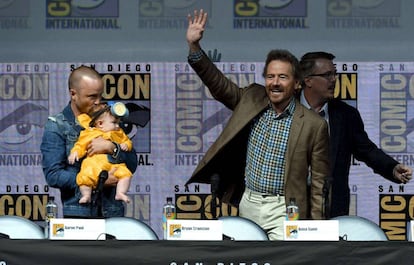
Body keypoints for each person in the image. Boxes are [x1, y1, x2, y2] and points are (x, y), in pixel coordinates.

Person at [185, 10, 330, 240]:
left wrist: (317, 229)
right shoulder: (252, 98)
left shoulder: (314, 125)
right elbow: (219, 85)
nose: (274, 83)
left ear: (297, 84)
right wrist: (195, 48)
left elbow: (320, 182)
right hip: (248, 203)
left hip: (285, 208)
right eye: (270, 76)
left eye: (282, 77)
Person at [298, 51, 413, 218]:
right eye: (327, 75)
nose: (334, 79)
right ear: (308, 79)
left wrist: (392, 168)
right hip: (290, 204)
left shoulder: (346, 115)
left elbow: (366, 150)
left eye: (334, 74)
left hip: (331, 207)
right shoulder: (284, 111)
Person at [40, 65, 138, 218]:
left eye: (100, 96)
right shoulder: (57, 125)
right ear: (73, 94)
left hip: (113, 213)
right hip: (79, 214)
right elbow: (53, 175)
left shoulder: (108, 119)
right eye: (92, 97)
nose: (98, 102)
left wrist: (112, 148)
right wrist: (98, 180)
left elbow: (132, 163)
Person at [68, 102, 133, 204]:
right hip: (94, 164)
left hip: (113, 165)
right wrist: (75, 153)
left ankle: (120, 192)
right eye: (114, 123)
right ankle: (86, 195)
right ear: (100, 124)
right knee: (85, 176)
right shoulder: (90, 133)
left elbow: (127, 142)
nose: (117, 126)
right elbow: (81, 144)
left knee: (125, 174)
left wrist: (126, 145)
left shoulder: (119, 133)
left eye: (118, 123)